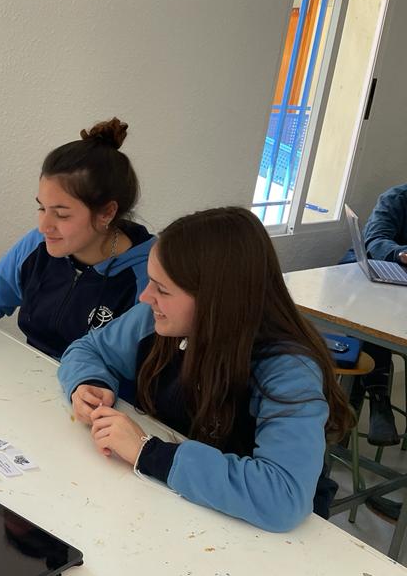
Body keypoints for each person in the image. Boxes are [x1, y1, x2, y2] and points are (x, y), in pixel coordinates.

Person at [59, 207, 353, 532]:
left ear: (216, 299)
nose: (145, 296)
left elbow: (283, 495)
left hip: (255, 533)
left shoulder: (288, 369)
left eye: (162, 289)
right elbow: (88, 349)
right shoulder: (157, 320)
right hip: (173, 505)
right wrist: (88, 382)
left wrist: (148, 452)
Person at [0, 118, 153, 362]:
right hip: (32, 376)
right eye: (42, 208)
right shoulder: (38, 245)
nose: (44, 226)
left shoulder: (149, 277)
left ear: (107, 213)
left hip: (94, 385)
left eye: (61, 214)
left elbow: (137, 366)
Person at [339, 184, 407, 447]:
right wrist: (401, 254)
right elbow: (376, 239)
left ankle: (353, 397)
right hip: (368, 272)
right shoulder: (396, 198)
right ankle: (378, 397)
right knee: (373, 312)